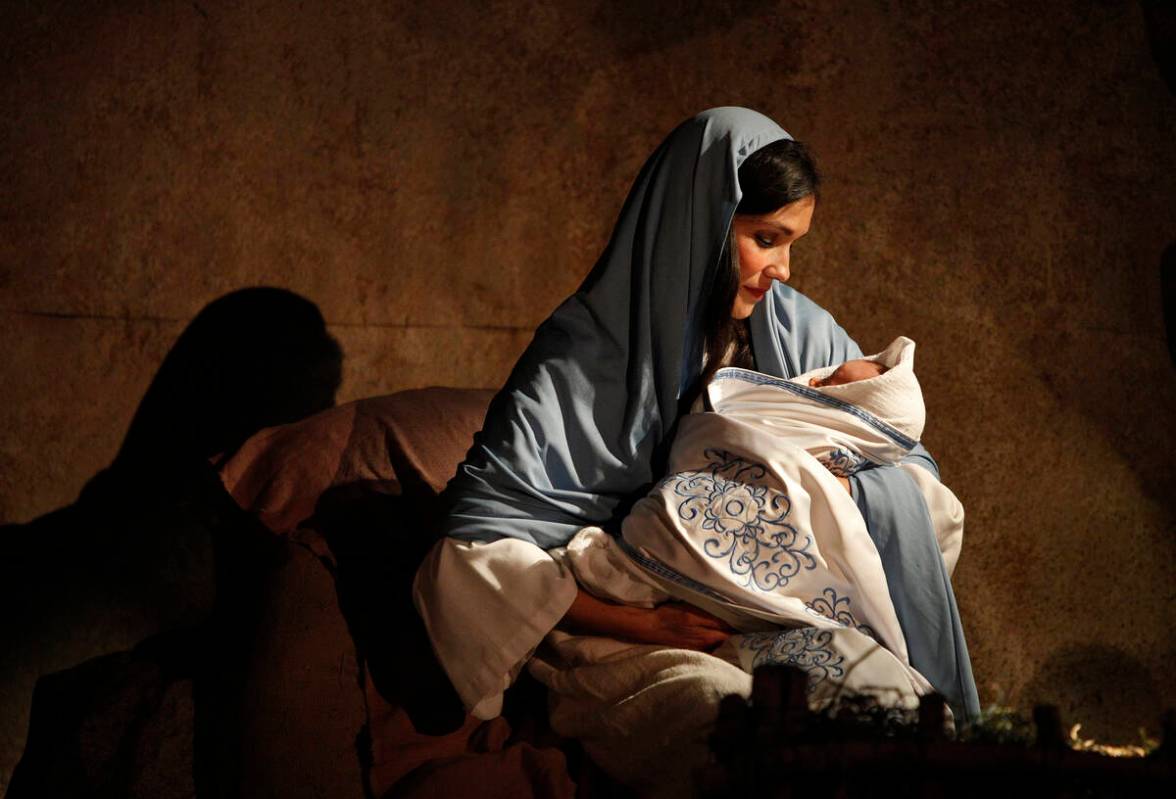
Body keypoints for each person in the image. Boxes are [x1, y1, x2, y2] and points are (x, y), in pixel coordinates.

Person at [413, 108, 978, 788]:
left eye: (793, 242)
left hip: (769, 612)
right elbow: (473, 547)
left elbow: (902, 458)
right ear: (701, 222)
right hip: (627, 631)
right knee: (731, 728)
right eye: (766, 238)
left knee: (882, 697)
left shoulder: (795, 334)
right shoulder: (580, 357)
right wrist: (645, 622)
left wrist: (820, 494)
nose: (783, 269)